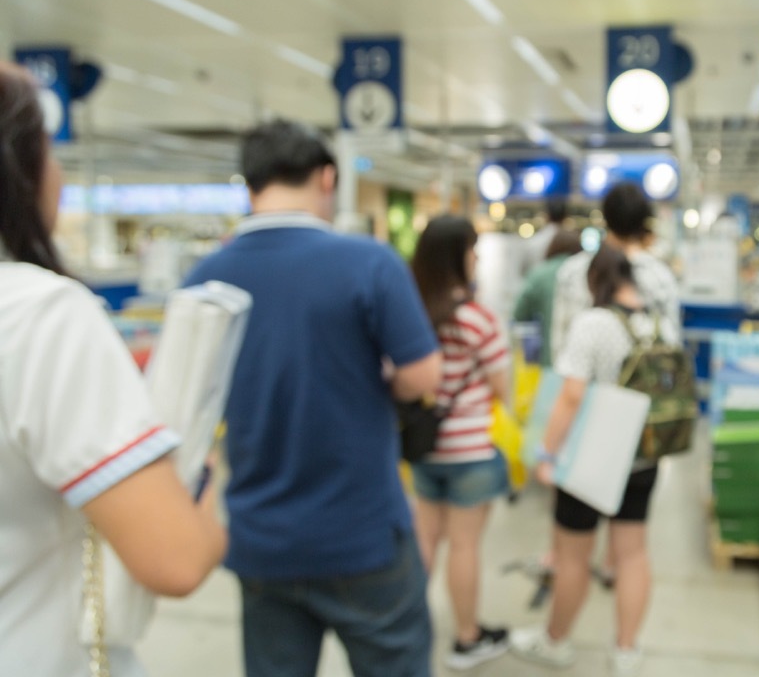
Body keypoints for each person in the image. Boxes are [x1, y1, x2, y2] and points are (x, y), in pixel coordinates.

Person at [183, 120, 442, 677]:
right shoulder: (368, 264)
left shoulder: (204, 279)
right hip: (363, 533)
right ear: (327, 178)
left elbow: (187, 409)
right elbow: (423, 377)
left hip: (260, 537)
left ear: (248, 186)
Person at [0, 61, 227, 676]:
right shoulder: (40, 314)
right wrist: (220, 479)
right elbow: (174, 559)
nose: (60, 174)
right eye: (48, 150)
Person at [512, 246, 677, 677]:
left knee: (572, 557)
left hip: (590, 459)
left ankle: (556, 642)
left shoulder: (593, 324)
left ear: (595, 280)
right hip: (643, 457)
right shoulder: (659, 322)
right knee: (632, 554)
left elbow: (570, 396)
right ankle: (626, 651)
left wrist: (546, 454)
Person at [409, 215, 513, 670]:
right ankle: (467, 638)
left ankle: (407, 627)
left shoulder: (412, 312)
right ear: (459, 256)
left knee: (426, 540)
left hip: (423, 446)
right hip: (470, 451)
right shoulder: (478, 319)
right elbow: (503, 387)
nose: (476, 259)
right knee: (465, 546)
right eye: (473, 250)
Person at [550, 182, 679, 363]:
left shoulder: (573, 272)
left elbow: (560, 345)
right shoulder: (661, 277)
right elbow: (672, 344)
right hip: (643, 386)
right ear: (644, 220)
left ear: (605, 218)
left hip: (584, 387)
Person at [513, 229, 584, 367]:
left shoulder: (540, 274)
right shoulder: (588, 274)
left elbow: (519, 313)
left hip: (548, 359)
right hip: (581, 360)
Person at [522, 197, 569, 276]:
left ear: (546, 216)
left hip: (537, 285)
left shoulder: (534, 241)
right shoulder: (571, 242)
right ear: (565, 217)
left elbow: (524, 272)